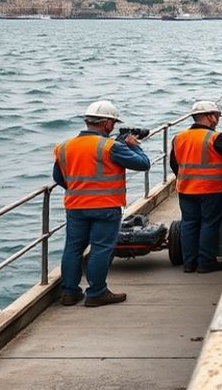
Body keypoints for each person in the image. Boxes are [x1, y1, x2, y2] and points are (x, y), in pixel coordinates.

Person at [53, 99, 150, 307]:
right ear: (106, 124)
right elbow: (143, 164)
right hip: (106, 206)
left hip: (75, 206)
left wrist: (80, 191)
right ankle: (96, 293)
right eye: (113, 124)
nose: (113, 128)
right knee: (101, 248)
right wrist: (134, 146)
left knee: (73, 248)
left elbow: (59, 178)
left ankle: (69, 293)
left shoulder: (64, 147)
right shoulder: (110, 146)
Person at [170, 100, 222, 273]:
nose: (217, 119)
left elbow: (174, 164)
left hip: (186, 189)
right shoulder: (216, 138)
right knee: (209, 224)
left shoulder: (179, 138)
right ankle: (206, 263)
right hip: (211, 190)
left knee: (189, 223)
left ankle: (189, 263)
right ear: (208, 116)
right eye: (216, 115)